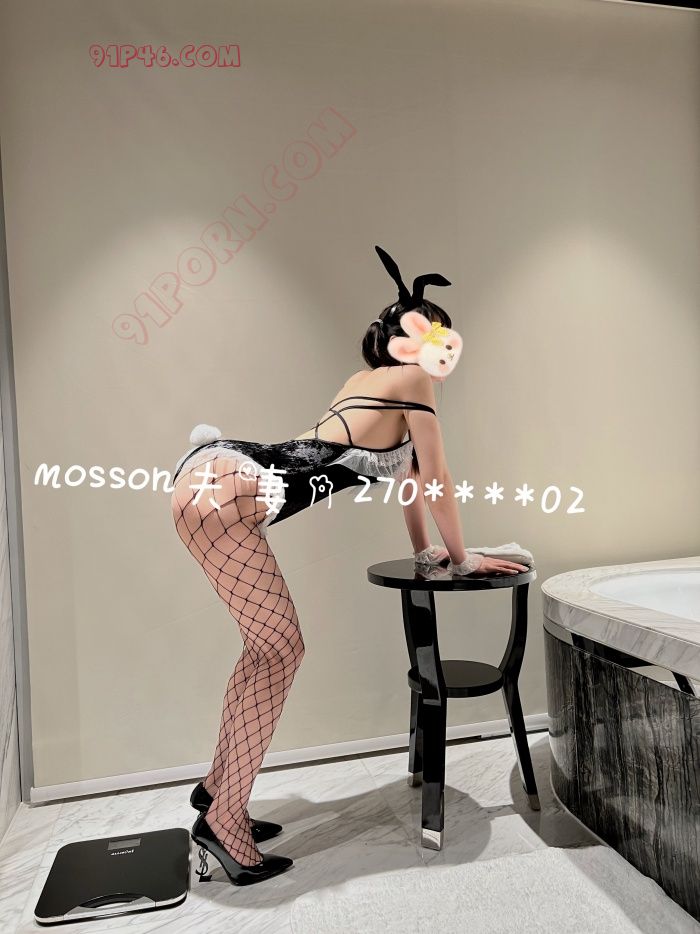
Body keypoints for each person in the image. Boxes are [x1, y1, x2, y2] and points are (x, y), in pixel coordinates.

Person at [169, 245, 528, 887]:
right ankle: (223, 821)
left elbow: (410, 482)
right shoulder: (412, 382)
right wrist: (463, 556)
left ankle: (218, 792)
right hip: (228, 490)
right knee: (282, 651)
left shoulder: (363, 384)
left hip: (214, 481)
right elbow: (438, 478)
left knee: (265, 650)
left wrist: (429, 552)